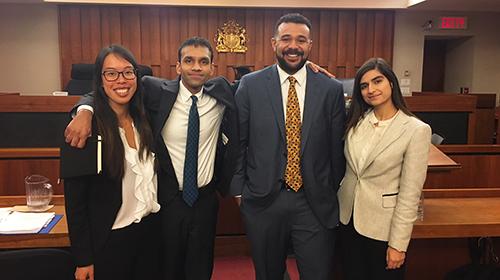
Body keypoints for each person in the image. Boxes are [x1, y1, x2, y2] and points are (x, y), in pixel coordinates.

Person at [65, 37, 238, 280]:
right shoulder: (156, 92)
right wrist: (85, 110)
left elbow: (261, 85)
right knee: (166, 269)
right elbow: (112, 89)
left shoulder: (222, 92)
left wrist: (308, 70)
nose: (196, 67)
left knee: (200, 269)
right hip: (167, 201)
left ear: (212, 68)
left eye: (203, 62)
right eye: (189, 61)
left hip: (206, 201)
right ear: (178, 66)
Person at [231, 13, 346, 280]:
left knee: (317, 274)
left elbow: (335, 150)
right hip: (262, 202)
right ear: (273, 43)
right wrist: (239, 192)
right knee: (269, 274)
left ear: (310, 45)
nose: (293, 46)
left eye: (301, 40)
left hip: (314, 202)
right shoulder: (250, 85)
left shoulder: (330, 89)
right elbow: (239, 142)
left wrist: (329, 189)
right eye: (286, 39)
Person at [63, 44, 161, 280]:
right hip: (110, 243)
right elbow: (75, 204)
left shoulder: (147, 119)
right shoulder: (84, 130)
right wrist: (83, 258)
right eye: (111, 73)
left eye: (128, 72)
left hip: (152, 236)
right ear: (100, 79)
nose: (121, 80)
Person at [337, 57, 431, 280]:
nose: (371, 89)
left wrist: (398, 244)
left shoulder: (416, 130)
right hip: (347, 221)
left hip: (383, 228)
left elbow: (410, 193)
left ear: (391, 83)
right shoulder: (356, 120)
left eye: (377, 81)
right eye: (364, 85)